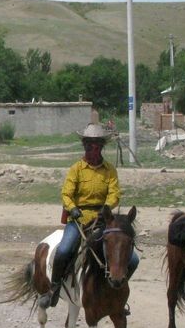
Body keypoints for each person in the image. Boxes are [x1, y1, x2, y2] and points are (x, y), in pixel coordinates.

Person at [38, 123, 140, 309]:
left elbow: (114, 193)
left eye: (97, 146)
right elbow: (66, 193)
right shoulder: (76, 169)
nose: (93, 150)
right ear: (85, 146)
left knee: (132, 259)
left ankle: (119, 292)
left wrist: (106, 208)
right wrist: (73, 208)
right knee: (64, 250)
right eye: (89, 146)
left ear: (102, 147)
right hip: (78, 219)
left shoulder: (109, 170)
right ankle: (53, 289)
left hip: (103, 220)